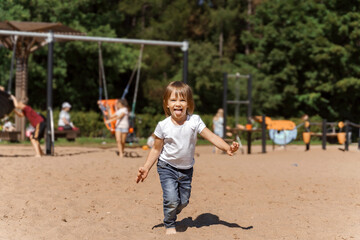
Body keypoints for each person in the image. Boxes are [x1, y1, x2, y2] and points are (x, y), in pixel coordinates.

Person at [136, 81, 239, 235]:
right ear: (167, 104)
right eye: (173, 100)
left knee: (183, 202)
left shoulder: (194, 121)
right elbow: (156, 149)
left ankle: (172, 211)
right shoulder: (163, 126)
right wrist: (146, 167)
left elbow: (211, 136)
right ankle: (169, 222)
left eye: (182, 100)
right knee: (171, 199)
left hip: (186, 170)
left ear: (189, 103)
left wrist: (227, 148)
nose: (178, 103)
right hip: (166, 167)